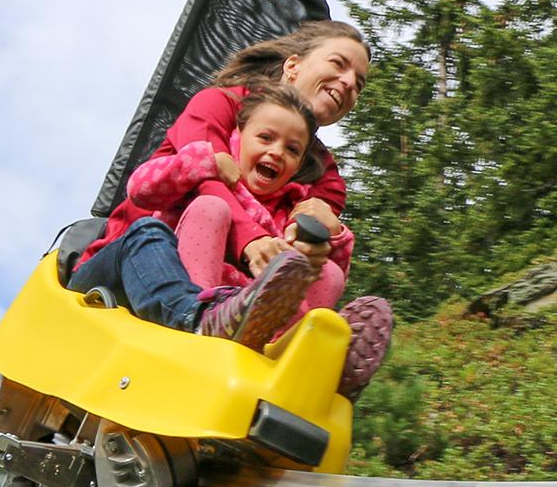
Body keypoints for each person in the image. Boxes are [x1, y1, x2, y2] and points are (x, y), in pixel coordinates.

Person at [131, 20, 392, 398]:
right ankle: (199, 323)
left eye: (359, 83)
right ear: (293, 66)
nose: (350, 83)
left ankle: (297, 359)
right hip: (158, 258)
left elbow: (311, 241)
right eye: (338, 64)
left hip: (248, 293)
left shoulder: (323, 173)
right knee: (210, 207)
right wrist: (253, 241)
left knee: (330, 272)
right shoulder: (220, 104)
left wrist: (319, 242)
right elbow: (207, 176)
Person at [67, 86, 330, 352]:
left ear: (297, 166)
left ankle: (305, 352)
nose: (276, 152)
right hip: (125, 280)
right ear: (239, 135)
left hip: (234, 311)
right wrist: (203, 163)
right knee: (156, 228)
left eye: (292, 150)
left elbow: (299, 278)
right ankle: (198, 318)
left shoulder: (285, 213)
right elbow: (140, 187)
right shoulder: (207, 172)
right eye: (265, 138)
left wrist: (329, 239)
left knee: (324, 270)